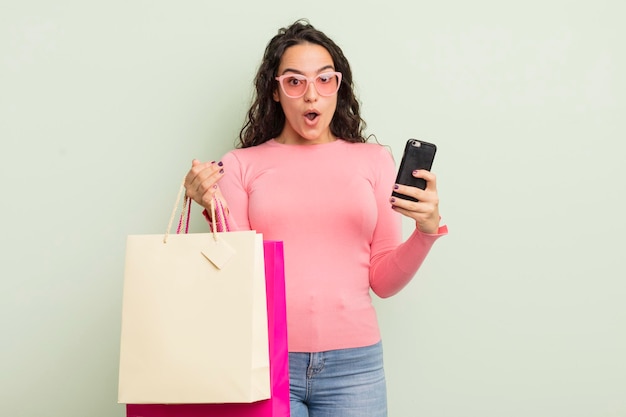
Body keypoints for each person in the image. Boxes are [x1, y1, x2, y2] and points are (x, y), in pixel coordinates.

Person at [184, 19, 447, 417]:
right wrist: (210, 203)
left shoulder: (373, 161)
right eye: (295, 81)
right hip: (265, 361)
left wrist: (425, 232)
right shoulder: (240, 165)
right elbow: (239, 276)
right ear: (274, 90)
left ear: (338, 87)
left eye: (325, 80)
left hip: (355, 368)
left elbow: (384, 281)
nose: (312, 95)